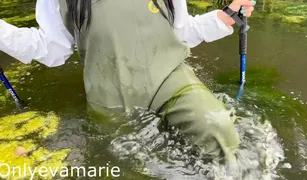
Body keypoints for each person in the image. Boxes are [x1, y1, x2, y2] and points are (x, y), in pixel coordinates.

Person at [0, 0, 255, 169]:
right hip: (110, 95)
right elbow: (52, 49)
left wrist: (225, 17)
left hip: (170, 76)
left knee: (219, 129)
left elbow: (182, 30)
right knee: (125, 166)